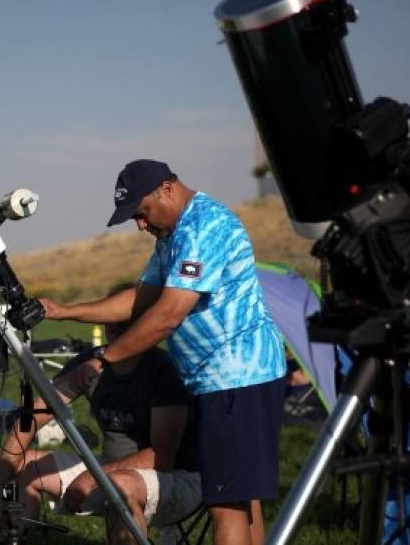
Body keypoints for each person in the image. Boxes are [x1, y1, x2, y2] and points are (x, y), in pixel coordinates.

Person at [40, 160, 287, 545]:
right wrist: (66, 311)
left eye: (142, 213)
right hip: (223, 380)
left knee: (225, 506)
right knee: (241, 499)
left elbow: (167, 315)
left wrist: (104, 359)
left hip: (236, 376)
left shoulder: (203, 226)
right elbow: (141, 298)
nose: (140, 225)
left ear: (167, 190)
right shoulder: (172, 236)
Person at [0, 291, 202, 544]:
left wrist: (93, 477)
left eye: (128, 318)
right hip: (110, 467)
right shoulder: (90, 363)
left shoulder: (163, 371)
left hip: (176, 478)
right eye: (114, 317)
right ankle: (13, 539)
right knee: (24, 466)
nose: (117, 325)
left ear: (147, 322)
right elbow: (31, 420)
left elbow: (162, 457)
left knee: (119, 487)